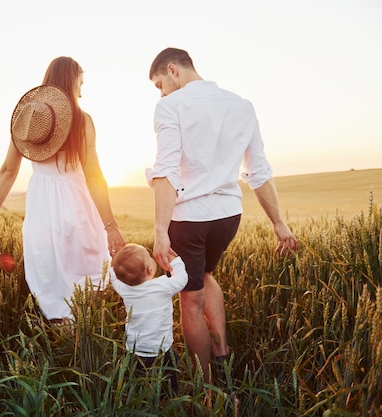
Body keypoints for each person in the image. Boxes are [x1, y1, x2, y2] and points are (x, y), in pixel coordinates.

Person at [145, 47, 298, 382]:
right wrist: (279, 223)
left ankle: (205, 385)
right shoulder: (242, 106)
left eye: (159, 83)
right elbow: (258, 171)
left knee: (191, 299)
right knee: (208, 274)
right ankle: (222, 354)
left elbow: (167, 171)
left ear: (173, 70)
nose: (160, 92)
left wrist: (159, 231)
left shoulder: (170, 106)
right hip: (228, 217)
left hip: (189, 219)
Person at [0, 56, 125, 324]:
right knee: (88, 270)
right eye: (80, 83)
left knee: (49, 274)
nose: (81, 91)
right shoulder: (82, 120)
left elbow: (8, 170)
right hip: (78, 203)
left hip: (43, 207)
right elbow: (94, 175)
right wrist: (110, 225)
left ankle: (61, 334)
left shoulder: (28, 116)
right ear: (71, 80)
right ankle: (88, 337)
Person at [110, 243, 188, 394]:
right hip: (162, 351)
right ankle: (170, 398)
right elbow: (182, 279)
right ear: (150, 269)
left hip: (134, 351)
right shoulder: (162, 286)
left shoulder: (125, 289)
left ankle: (140, 400)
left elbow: (114, 277)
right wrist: (175, 260)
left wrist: (114, 259)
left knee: (136, 382)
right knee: (170, 380)